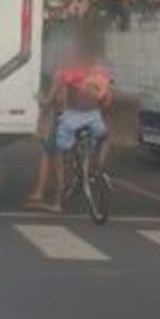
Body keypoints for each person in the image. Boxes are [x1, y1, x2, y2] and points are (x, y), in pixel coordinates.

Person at [24, 33, 112, 212]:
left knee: (59, 152)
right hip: (94, 116)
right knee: (105, 137)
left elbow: (55, 98)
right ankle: (97, 166)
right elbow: (107, 97)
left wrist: (43, 107)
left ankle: (59, 198)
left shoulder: (66, 71)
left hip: (70, 117)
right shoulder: (100, 71)